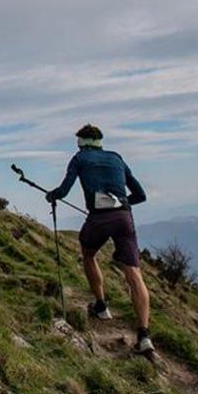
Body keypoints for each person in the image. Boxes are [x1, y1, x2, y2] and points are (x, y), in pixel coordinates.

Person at [46, 124, 154, 355]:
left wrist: (52, 195)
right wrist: (120, 204)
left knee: (88, 254)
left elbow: (64, 190)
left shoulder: (79, 159)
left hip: (99, 218)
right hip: (125, 217)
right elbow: (141, 195)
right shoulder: (116, 158)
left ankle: (101, 306)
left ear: (82, 141)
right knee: (134, 273)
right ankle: (144, 335)